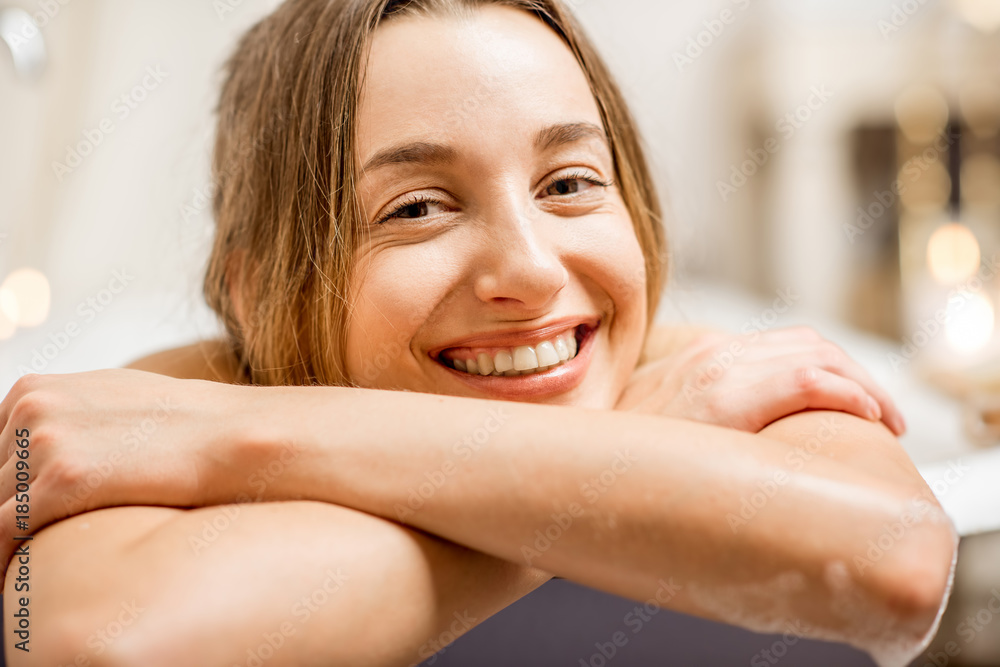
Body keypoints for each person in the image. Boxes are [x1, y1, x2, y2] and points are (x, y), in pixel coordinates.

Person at [1, 0, 957, 665]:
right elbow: (97, 642)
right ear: (249, 289)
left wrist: (240, 441)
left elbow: (894, 562)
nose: (534, 271)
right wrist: (622, 457)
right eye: (417, 207)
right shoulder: (185, 388)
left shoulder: (721, 369)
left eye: (571, 183)